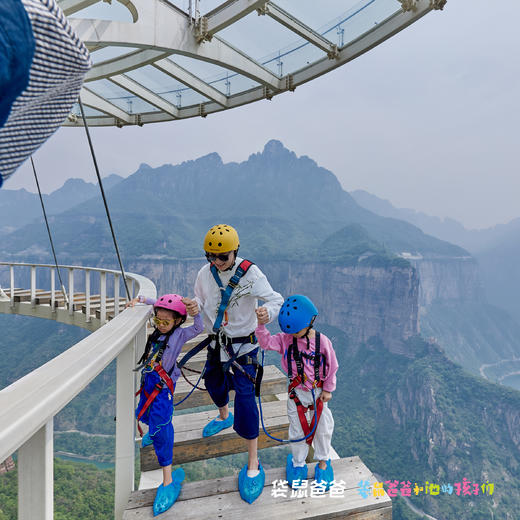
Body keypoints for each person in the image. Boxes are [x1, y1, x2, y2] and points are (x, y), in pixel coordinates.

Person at [193, 224, 283, 504]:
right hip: (217, 342)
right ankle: (223, 416)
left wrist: (267, 312)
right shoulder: (204, 273)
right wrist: (193, 305)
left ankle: (253, 464)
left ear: (235, 252)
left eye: (222, 257)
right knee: (213, 383)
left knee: (245, 398)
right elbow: (200, 297)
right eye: (211, 256)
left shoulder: (251, 273)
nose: (216, 262)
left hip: (245, 346)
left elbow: (276, 299)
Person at [128, 293, 203, 516]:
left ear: (178, 321)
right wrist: (141, 300)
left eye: (165, 322)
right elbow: (157, 304)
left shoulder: (179, 334)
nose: (160, 326)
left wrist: (195, 313)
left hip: (161, 388)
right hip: (150, 382)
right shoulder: (161, 328)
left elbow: (198, 329)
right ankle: (153, 431)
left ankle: (167, 481)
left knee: (162, 429)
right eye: (157, 321)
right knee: (147, 413)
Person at [255, 294, 338, 490]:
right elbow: (266, 343)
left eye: (297, 331)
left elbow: (332, 366)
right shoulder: (286, 339)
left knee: (323, 427)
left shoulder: (322, 342)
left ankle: (324, 462)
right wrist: (260, 326)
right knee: (297, 429)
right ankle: (298, 463)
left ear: (310, 321)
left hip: (318, 392)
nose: (293, 335)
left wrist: (328, 389)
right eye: (291, 332)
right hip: (296, 393)